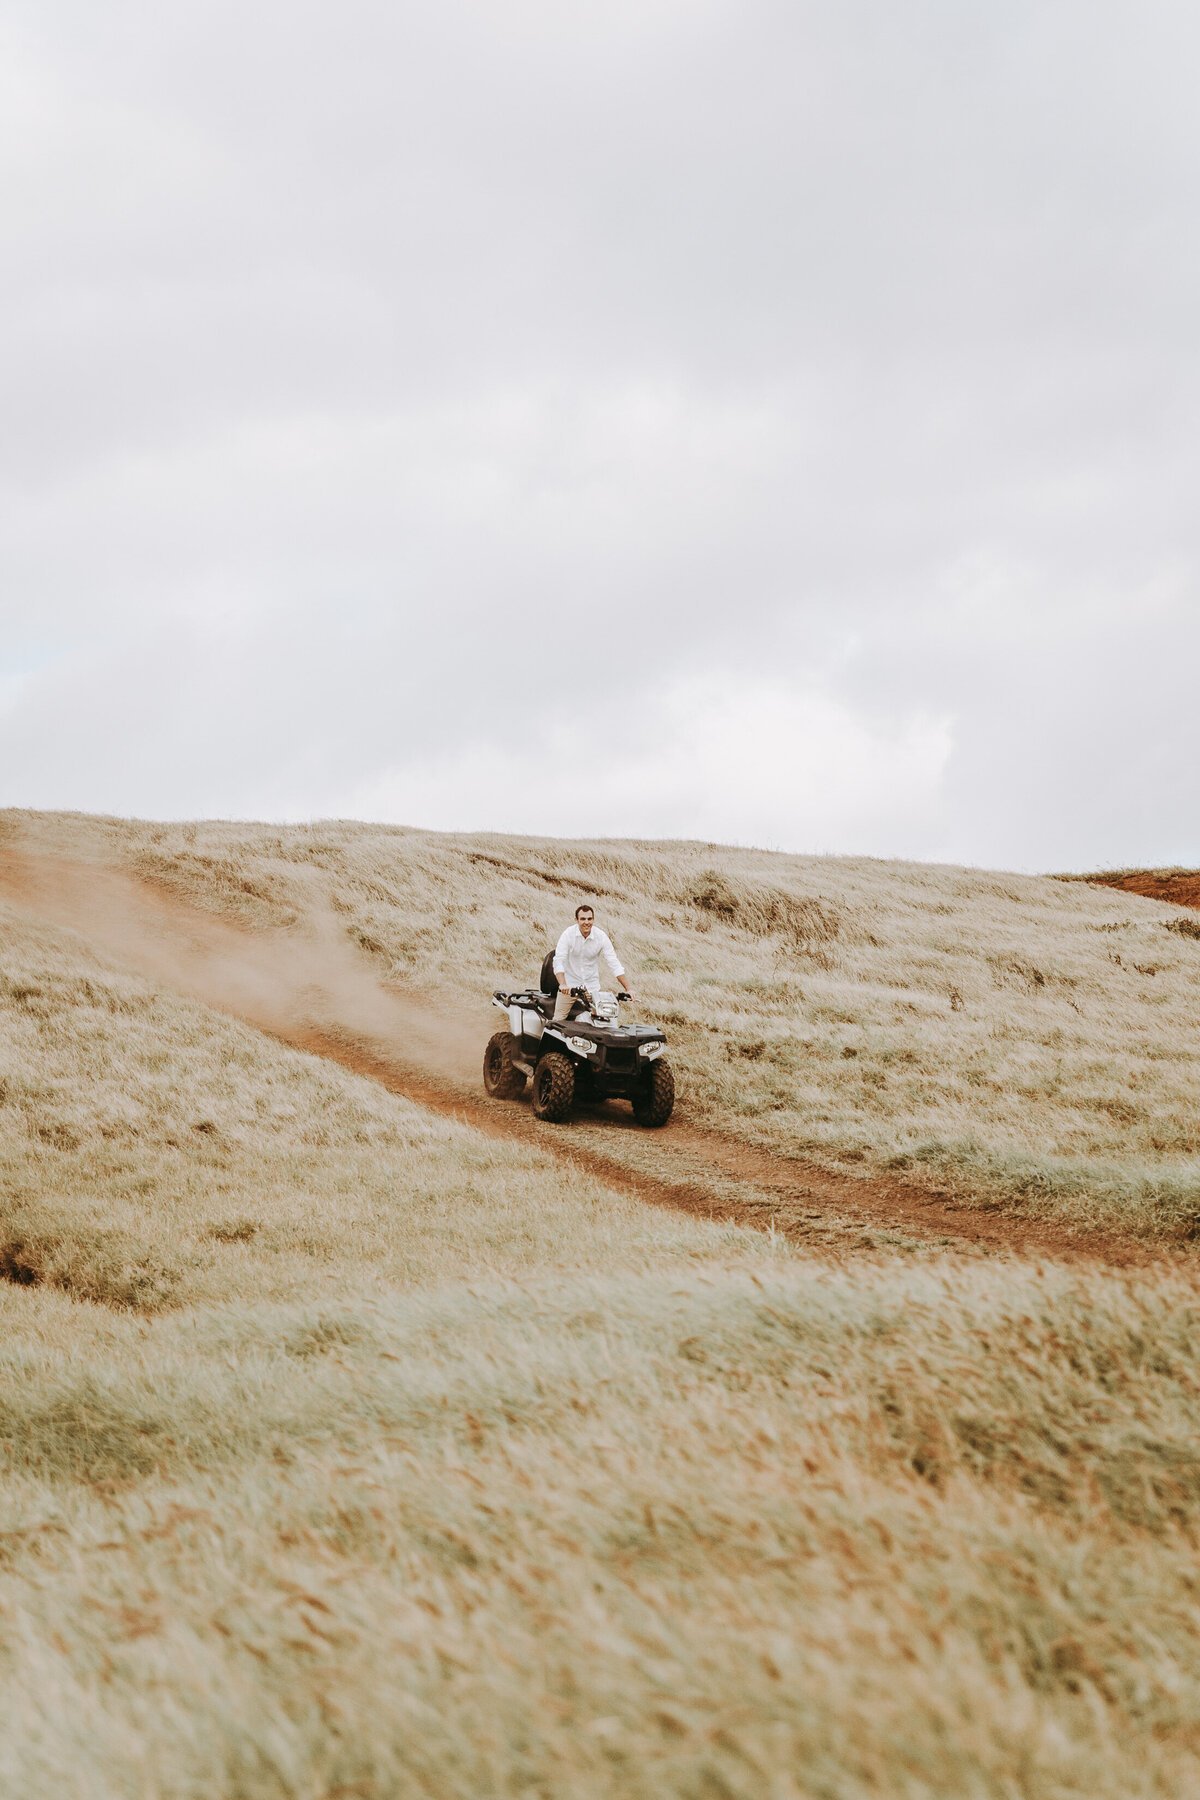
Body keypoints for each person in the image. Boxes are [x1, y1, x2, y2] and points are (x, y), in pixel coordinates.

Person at [552, 905, 634, 1022]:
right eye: (583, 919)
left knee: (603, 1020)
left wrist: (628, 988)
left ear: (593, 919)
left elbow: (614, 963)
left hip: (592, 987)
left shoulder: (600, 936)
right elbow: (559, 960)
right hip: (570, 987)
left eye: (589, 919)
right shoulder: (568, 934)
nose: (587, 922)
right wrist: (563, 984)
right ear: (576, 920)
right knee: (558, 1022)